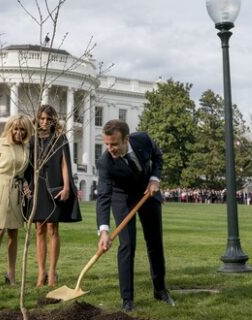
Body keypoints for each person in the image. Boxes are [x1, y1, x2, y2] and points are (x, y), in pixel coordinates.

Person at [96, 119, 174, 312]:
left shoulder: (143, 140)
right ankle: (127, 299)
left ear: (126, 139)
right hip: (122, 198)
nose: (110, 148)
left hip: (148, 193)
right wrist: (104, 230)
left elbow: (158, 156)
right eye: (107, 144)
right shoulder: (105, 162)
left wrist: (155, 179)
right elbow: (104, 196)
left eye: (114, 144)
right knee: (127, 245)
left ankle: (160, 290)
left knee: (155, 242)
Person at [25, 105, 81, 287]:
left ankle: (52, 271)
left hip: (55, 186)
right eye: (41, 118)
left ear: (53, 120)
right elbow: (27, 165)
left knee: (52, 228)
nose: (44, 122)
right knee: (39, 228)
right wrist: (27, 186)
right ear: (37, 119)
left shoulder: (60, 138)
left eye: (48, 119)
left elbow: (65, 164)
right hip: (37, 187)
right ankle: (41, 272)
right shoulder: (32, 139)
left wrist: (66, 187)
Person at [0, 114, 33, 288]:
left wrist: (25, 184)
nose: (19, 132)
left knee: (14, 232)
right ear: (9, 128)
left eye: (22, 129)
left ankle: (11, 273)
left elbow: (22, 172)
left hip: (16, 192)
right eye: (16, 128)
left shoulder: (26, 148)